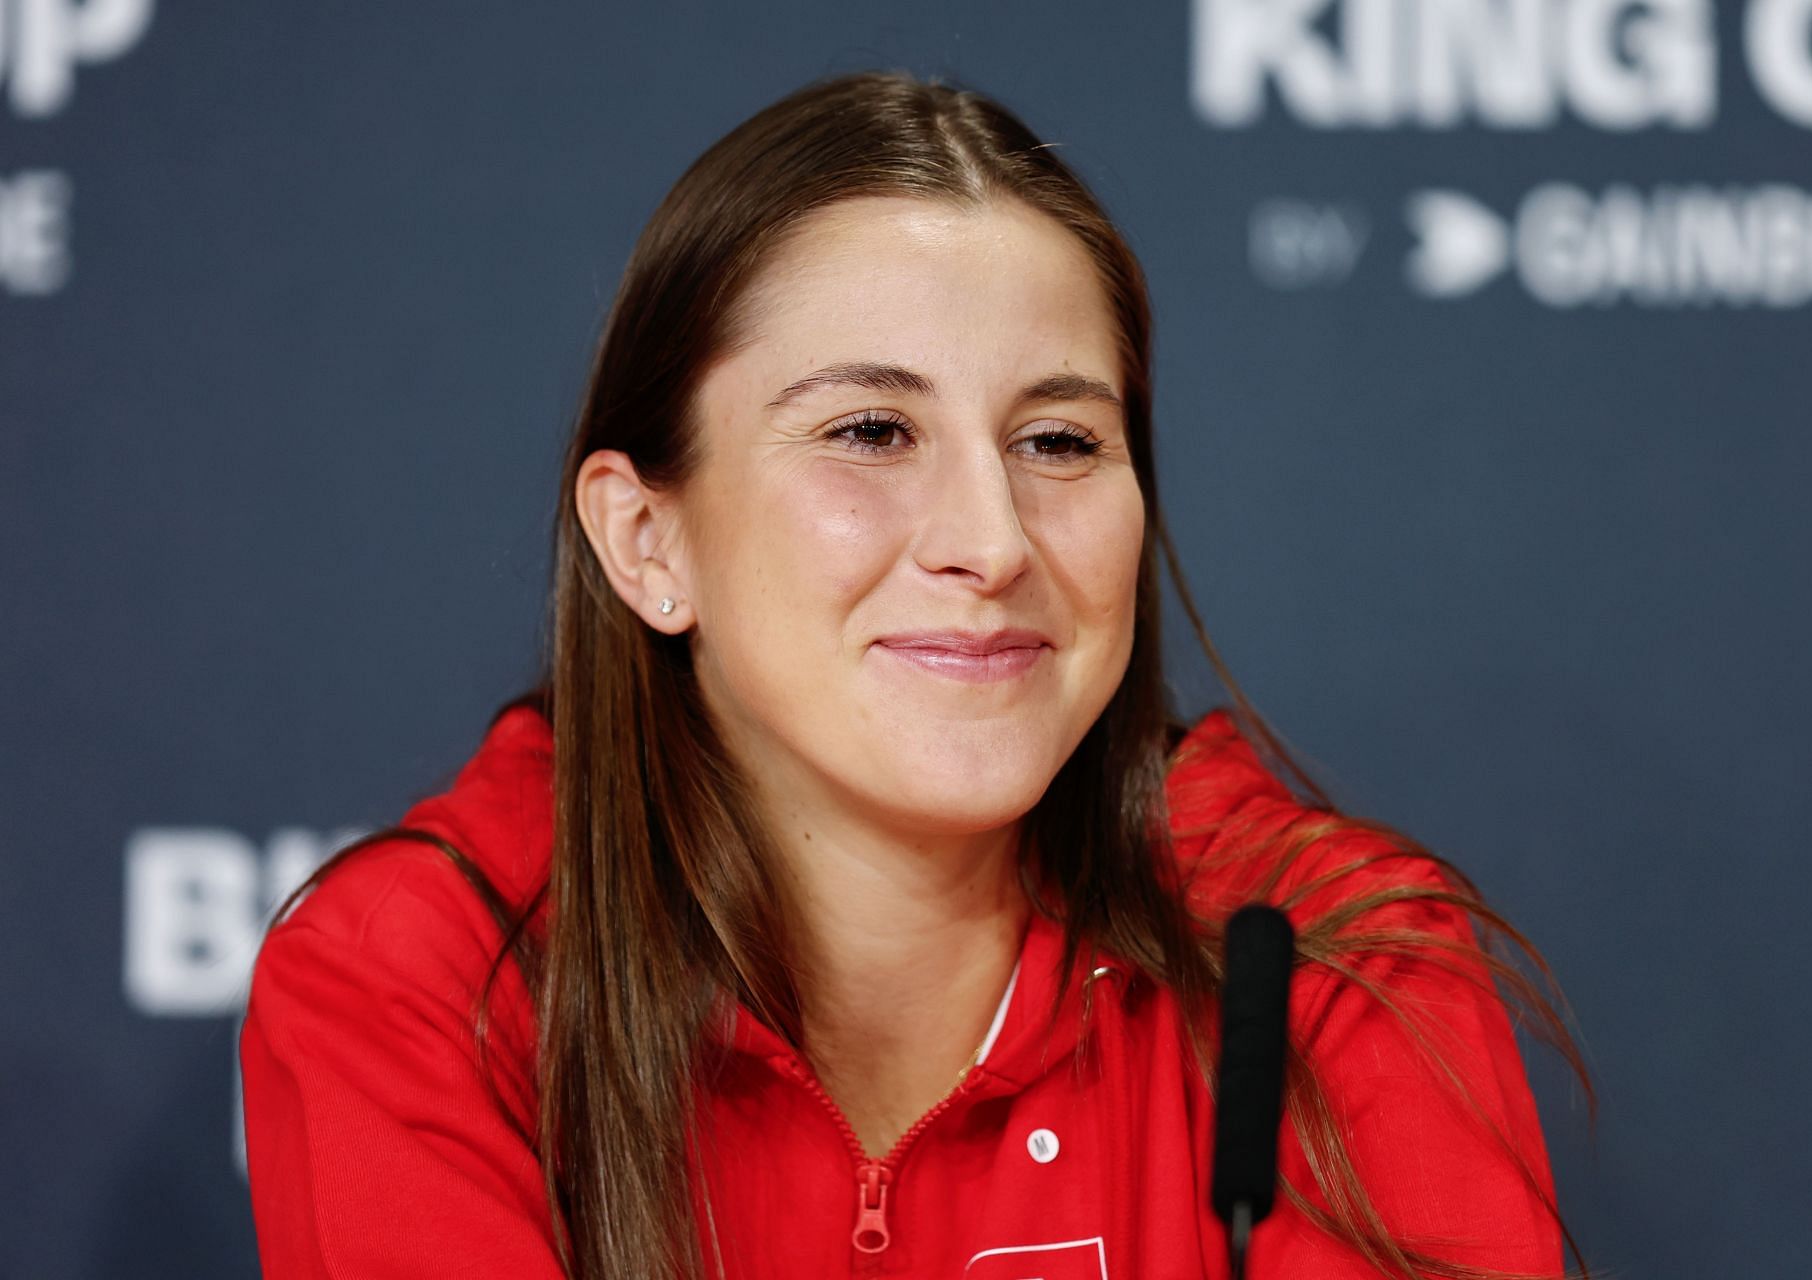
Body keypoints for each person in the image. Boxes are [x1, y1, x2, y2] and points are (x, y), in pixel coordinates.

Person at [239, 70, 1594, 1280]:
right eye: (873, 429)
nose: (992, 542)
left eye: (1059, 442)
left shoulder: (1318, 965)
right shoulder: (424, 980)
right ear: (647, 539)